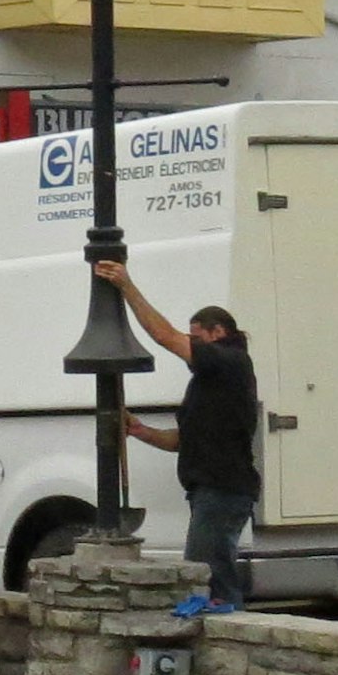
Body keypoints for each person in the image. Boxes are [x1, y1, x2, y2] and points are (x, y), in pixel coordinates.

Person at [108, 261, 260, 614]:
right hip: (213, 491)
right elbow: (183, 440)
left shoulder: (229, 361)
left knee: (207, 577)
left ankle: (227, 639)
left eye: (196, 337)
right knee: (209, 574)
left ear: (217, 332)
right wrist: (140, 431)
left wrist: (126, 286)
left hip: (222, 490)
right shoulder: (211, 381)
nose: (190, 344)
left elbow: (164, 336)